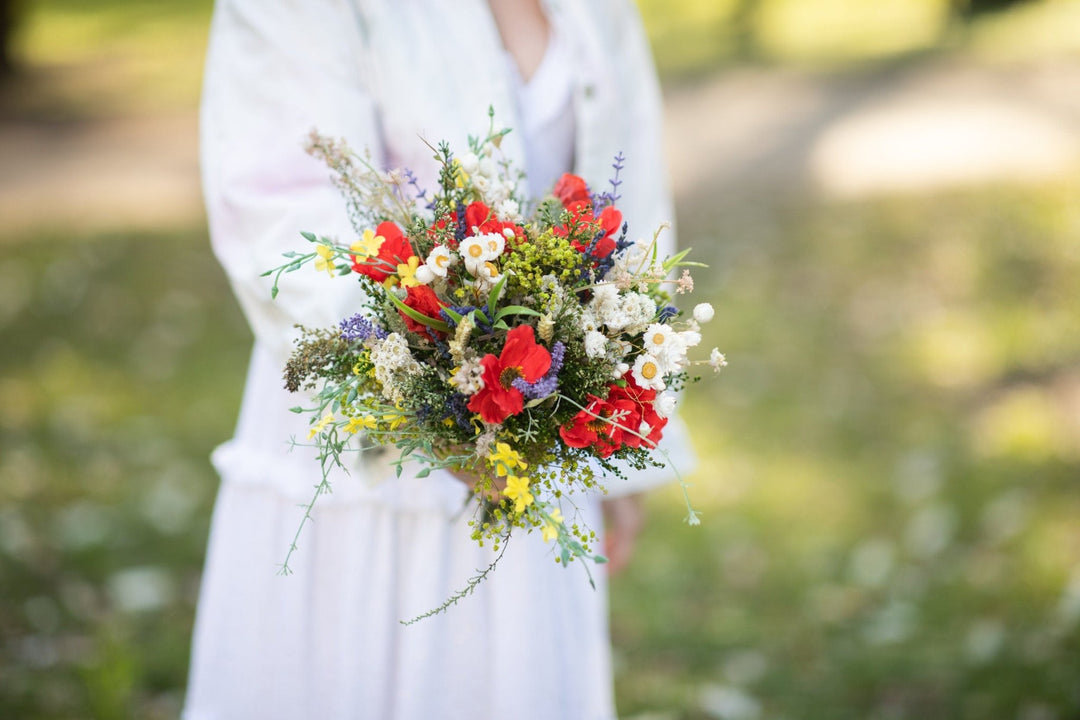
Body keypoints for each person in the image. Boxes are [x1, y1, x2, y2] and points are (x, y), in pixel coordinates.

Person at [184, 1, 695, 718]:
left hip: (542, 436)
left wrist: (634, 432)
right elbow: (278, 204)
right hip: (364, 446)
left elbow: (631, 179)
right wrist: (434, 403)